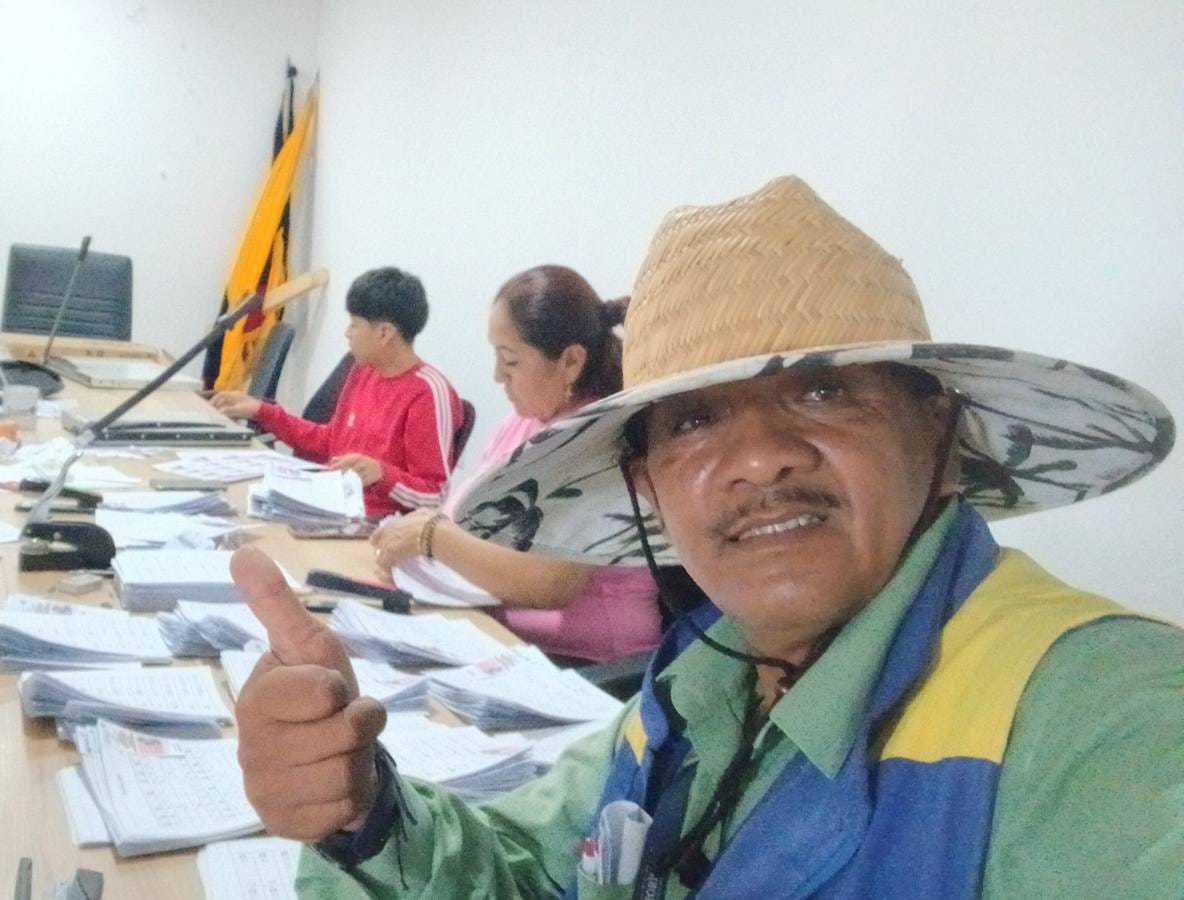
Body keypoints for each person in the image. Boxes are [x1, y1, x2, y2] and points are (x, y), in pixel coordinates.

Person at [228, 176, 1182, 898]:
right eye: (693, 421)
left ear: (939, 440)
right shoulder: (699, 684)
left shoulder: (1107, 722)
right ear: (648, 485)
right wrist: (365, 816)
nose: (757, 459)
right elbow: (531, 870)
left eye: (824, 390)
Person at [369, 266, 661, 663]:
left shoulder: (598, 441)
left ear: (571, 362)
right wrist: (415, 550)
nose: (496, 376)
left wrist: (432, 538)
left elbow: (550, 584)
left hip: (583, 662)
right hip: (500, 634)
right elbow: (466, 521)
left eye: (510, 360)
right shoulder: (523, 422)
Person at [212, 267, 464, 518]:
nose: (347, 333)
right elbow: (331, 442)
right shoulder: (362, 371)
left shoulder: (428, 394)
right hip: (329, 506)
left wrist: (382, 475)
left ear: (384, 333)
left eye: (354, 325)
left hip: (375, 526)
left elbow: (435, 496)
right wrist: (262, 411)